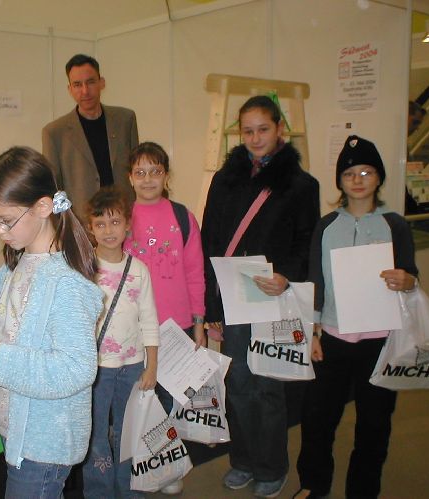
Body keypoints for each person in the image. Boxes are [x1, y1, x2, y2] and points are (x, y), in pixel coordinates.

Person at [0, 146, 103, 498]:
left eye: (6, 220)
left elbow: (77, 369)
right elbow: (12, 346)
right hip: (17, 430)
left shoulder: (68, 283)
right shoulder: (11, 270)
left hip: (46, 441)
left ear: (43, 207)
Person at [201, 95, 320, 498]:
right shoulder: (225, 180)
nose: (255, 138)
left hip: (273, 297)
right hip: (233, 296)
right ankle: (243, 460)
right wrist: (212, 304)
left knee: (268, 386)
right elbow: (210, 241)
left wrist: (286, 274)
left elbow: (306, 242)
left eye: (263, 129)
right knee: (238, 382)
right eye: (247, 131)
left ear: (280, 129)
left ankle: (271, 466)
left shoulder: (301, 185)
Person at [293, 135, 418, 499]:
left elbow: (411, 275)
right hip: (333, 336)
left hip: (381, 340)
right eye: (349, 174)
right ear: (340, 181)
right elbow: (315, 280)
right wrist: (313, 332)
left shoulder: (395, 225)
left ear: (379, 178)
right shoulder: (327, 225)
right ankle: (314, 484)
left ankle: (363, 490)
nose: (358, 180)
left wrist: (408, 280)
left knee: (375, 423)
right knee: (317, 418)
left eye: (366, 172)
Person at [123, 141, 206, 495]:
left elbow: (195, 272)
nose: (147, 179)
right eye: (140, 172)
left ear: (166, 175)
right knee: (140, 398)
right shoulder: (122, 218)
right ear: (130, 177)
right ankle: (141, 464)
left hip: (177, 326)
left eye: (155, 171)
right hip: (135, 327)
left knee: (170, 400)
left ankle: (169, 469)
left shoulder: (183, 217)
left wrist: (199, 322)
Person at [82, 187, 159, 499]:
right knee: (96, 434)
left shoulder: (139, 270)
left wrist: (151, 367)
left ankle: (130, 490)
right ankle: (99, 492)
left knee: (129, 433)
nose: (108, 230)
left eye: (115, 222)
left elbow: (149, 320)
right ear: (90, 228)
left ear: (128, 224)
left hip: (133, 367)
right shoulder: (84, 270)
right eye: (100, 224)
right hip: (96, 369)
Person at [42, 54, 138, 220]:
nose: (85, 91)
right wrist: (63, 226)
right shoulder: (54, 132)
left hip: (124, 217)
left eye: (91, 82)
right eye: (77, 85)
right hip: (83, 222)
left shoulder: (125, 120)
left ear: (102, 83)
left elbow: (137, 170)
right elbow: (53, 188)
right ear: (70, 89)